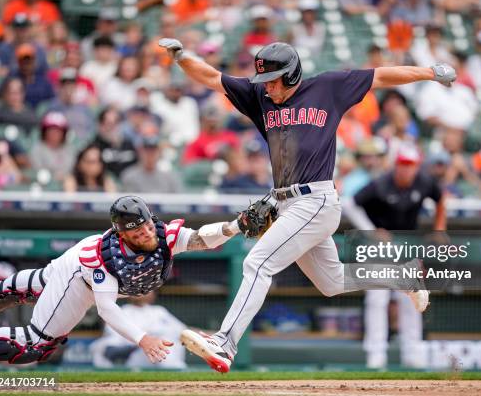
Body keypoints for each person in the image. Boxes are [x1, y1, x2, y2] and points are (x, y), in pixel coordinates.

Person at [158, 35, 456, 372]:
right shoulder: (260, 97)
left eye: (272, 80)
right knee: (332, 282)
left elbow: (382, 76)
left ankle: (225, 342)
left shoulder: (328, 87)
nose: (267, 87)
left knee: (258, 263)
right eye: (263, 81)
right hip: (287, 203)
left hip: (315, 198)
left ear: (292, 74)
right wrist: (182, 56)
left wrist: (430, 72)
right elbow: (213, 78)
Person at [0, 196, 242, 365]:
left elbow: (202, 238)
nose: (148, 233)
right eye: (139, 232)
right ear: (123, 234)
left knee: (35, 285)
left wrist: (236, 226)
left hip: (73, 267)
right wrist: (143, 339)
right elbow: (106, 308)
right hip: (78, 279)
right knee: (35, 345)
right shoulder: (106, 257)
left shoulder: (164, 236)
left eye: (149, 226)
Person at [344, 144, 446, 369]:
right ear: (396, 164)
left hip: (407, 248)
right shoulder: (381, 184)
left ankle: (413, 353)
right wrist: (371, 230)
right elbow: (350, 205)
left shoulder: (424, 182)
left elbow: (440, 199)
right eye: (402, 164)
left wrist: (440, 227)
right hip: (379, 249)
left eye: (410, 165)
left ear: (417, 167)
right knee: (377, 299)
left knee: (412, 300)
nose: (405, 170)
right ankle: (375, 355)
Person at [90, 291, 187, 369]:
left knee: (168, 341)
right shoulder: (123, 310)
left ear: (153, 295)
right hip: (134, 351)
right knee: (98, 346)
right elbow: (112, 338)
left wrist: (199, 333)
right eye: (138, 289)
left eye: (148, 290)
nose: (141, 292)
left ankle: (175, 370)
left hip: (158, 351)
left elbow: (182, 329)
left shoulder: (159, 311)